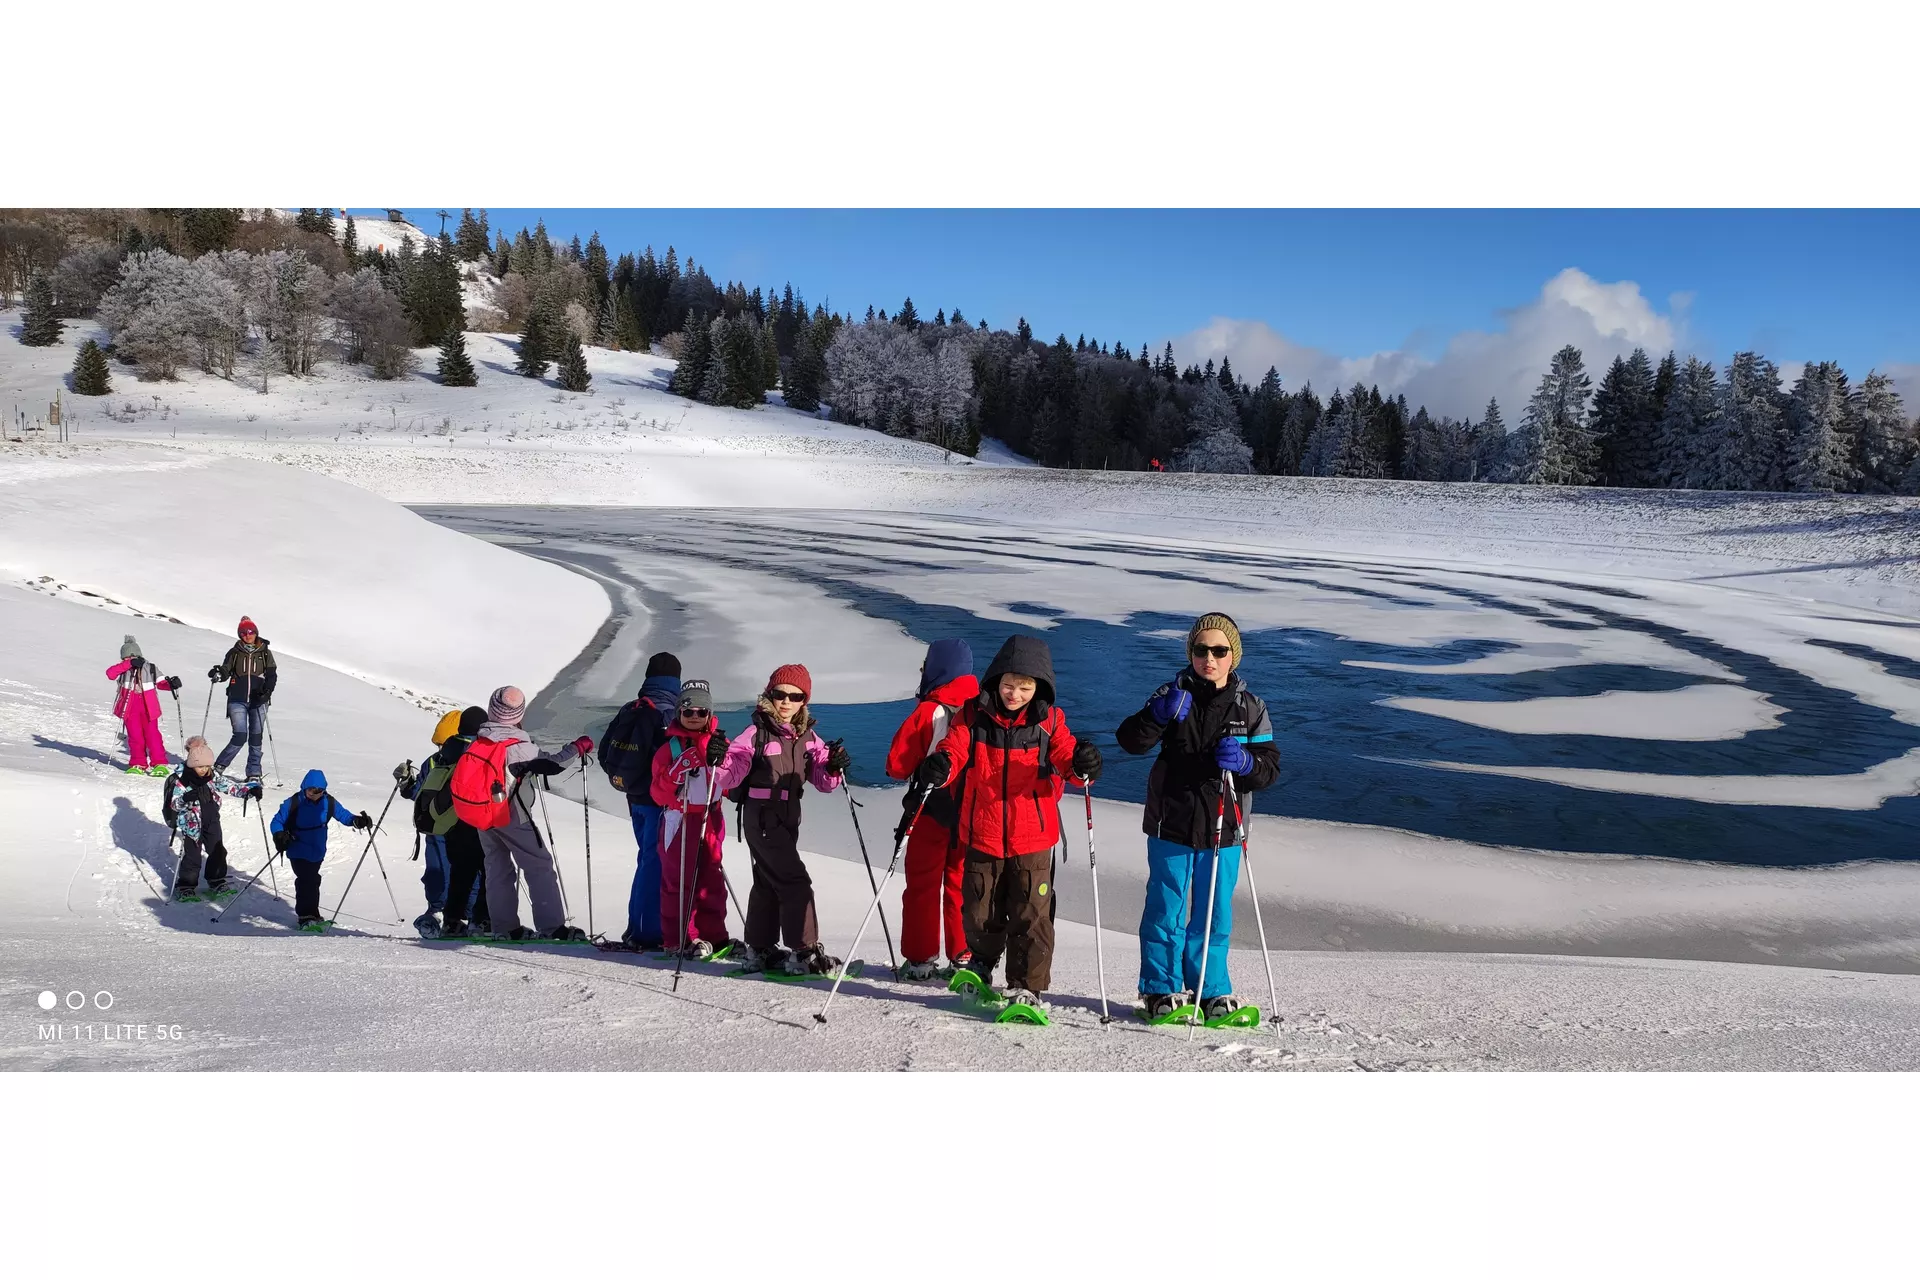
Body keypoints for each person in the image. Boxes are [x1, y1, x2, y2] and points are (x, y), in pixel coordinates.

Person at [917, 635, 1101, 1012]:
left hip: (1032, 838)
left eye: (1024, 687)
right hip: (982, 832)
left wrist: (1082, 764)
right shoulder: (973, 716)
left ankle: (1027, 986)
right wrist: (943, 766)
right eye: (1007, 685)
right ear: (995, 681)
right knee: (979, 909)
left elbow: (1067, 757)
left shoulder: (1049, 721)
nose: (1014, 694)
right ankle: (981, 964)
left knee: (1030, 914)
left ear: (1039, 687)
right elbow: (954, 748)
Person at [1114, 613, 1281, 1023]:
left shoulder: (1251, 706)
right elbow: (1130, 740)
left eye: (1219, 650)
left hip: (1226, 827)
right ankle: (1160, 989)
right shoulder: (1171, 694)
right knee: (1165, 908)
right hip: (1171, 821)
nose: (1209, 657)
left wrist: (1245, 762)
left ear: (1233, 656)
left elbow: (1269, 767)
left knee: (1213, 913)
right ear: (1190, 652)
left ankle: (1210, 989)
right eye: (1200, 649)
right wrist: (1158, 714)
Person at [716, 664, 848, 975]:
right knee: (794, 881)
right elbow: (731, 771)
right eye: (780, 694)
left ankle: (759, 950)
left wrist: (833, 767)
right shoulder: (755, 733)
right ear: (769, 694)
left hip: (788, 817)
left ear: (805, 700)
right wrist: (719, 758)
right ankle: (803, 951)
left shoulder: (807, 736)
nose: (786, 702)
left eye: (795, 696)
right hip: (762, 816)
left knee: (768, 880)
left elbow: (823, 779)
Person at [884, 638, 978, 979]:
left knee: (924, 882)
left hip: (930, 805)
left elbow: (897, 763)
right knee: (960, 881)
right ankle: (964, 954)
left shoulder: (931, 709)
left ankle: (922, 958)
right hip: (970, 809)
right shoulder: (980, 707)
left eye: (925, 666)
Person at [474, 685, 592, 941]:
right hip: (511, 813)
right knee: (539, 864)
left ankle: (504, 928)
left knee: (497, 867)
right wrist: (577, 748)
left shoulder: (481, 738)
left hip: (482, 814)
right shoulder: (516, 746)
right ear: (518, 715)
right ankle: (552, 928)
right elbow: (552, 764)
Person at [598, 652, 681, 950]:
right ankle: (647, 933)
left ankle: (638, 926)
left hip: (634, 798)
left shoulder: (632, 708)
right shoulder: (669, 714)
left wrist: (631, 780)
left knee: (646, 859)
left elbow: (604, 753)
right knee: (654, 861)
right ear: (676, 681)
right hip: (658, 802)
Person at [648, 679, 735, 959]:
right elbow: (658, 795)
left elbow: (733, 783)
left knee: (712, 881)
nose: (695, 717)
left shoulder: (721, 744)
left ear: (710, 714)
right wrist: (677, 770)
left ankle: (714, 936)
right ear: (679, 714)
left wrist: (726, 765)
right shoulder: (669, 748)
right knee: (679, 882)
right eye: (688, 712)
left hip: (711, 817)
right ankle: (680, 939)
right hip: (681, 819)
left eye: (701, 712)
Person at [397, 706, 490, 938]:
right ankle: (466, 915)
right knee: (469, 870)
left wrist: (406, 784)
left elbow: (418, 793)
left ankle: (440, 912)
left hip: (437, 824)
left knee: (442, 869)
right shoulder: (478, 753)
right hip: (469, 823)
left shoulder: (435, 760)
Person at [270, 768, 371, 928]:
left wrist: (356, 821)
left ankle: (313, 915)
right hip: (298, 847)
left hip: (317, 850)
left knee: (313, 880)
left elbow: (343, 815)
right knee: (306, 880)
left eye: (318, 791)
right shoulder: (294, 802)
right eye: (311, 790)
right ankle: (305, 916)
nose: (314, 794)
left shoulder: (328, 802)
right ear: (305, 787)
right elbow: (277, 821)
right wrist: (279, 835)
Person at [164, 736, 259, 900]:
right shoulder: (182, 781)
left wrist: (249, 791)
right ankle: (186, 885)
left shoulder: (211, 776)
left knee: (218, 851)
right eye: (200, 766)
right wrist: (185, 799)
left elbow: (229, 786)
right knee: (192, 857)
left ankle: (216, 880)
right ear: (193, 764)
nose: (203, 770)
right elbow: (174, 805)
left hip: (212, 820)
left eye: (207, 766)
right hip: (192, 824)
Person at [210, 616, 276, 783]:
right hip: (237, 698)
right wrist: (219, 674)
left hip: (258, 700)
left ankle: (254, 773)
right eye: (244, 633)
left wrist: (266, 692)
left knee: (256, 736)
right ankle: (218, 767)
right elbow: (226, 671)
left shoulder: (265, 652)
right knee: (240, 735)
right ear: (240, 635)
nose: (248, 635)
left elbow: (272, 675)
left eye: (251, 632)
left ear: (256, 633)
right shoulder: (234, 652)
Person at [106, 634, 182, 775]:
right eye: (126, 658)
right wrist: (128, 665)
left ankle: (159, 763)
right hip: (130, 709)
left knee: (153, 736)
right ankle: (138, 763)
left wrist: (171, 684)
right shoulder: (124, 669)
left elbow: (161, 683)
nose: (129, 660)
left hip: (148, 709)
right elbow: (110, 674)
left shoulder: (150, 668)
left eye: (131, 658)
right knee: (135, 737)